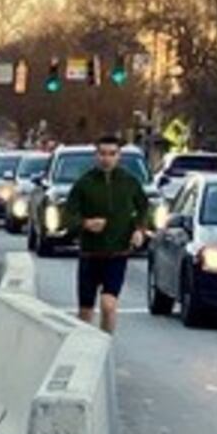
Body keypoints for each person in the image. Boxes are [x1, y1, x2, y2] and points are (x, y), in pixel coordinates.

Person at [64, 138, 149, 335]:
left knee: (108, 305)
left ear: (119, 156)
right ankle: (84, 348)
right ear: (96, 156)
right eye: (103, 153)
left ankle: (105, 345)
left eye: (112, 154)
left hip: (117, 254)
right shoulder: (84, 183)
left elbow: (144, 207)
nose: (107, 158)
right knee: (85, 311)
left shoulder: (129, 182)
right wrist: (85, 223)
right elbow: (68, 216)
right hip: (90, 255)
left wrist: (139, 230)